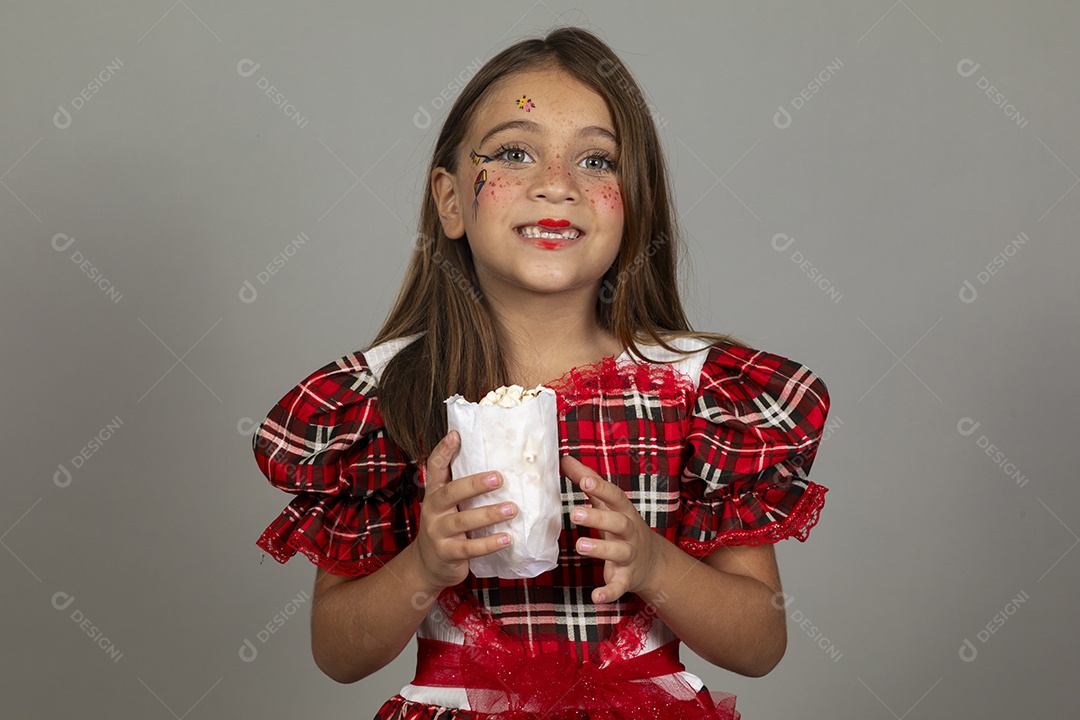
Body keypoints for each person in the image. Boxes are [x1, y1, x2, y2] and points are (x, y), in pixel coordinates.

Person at [250, 26, 831, 720]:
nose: (557, 184)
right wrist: (424, 566)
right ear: (452, 199)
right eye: (515, 153)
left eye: (597, 161)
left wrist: (653, 564)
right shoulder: (384, 399)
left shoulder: (698, 394)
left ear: (635, 204)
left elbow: (759, 644)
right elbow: (338, 654)